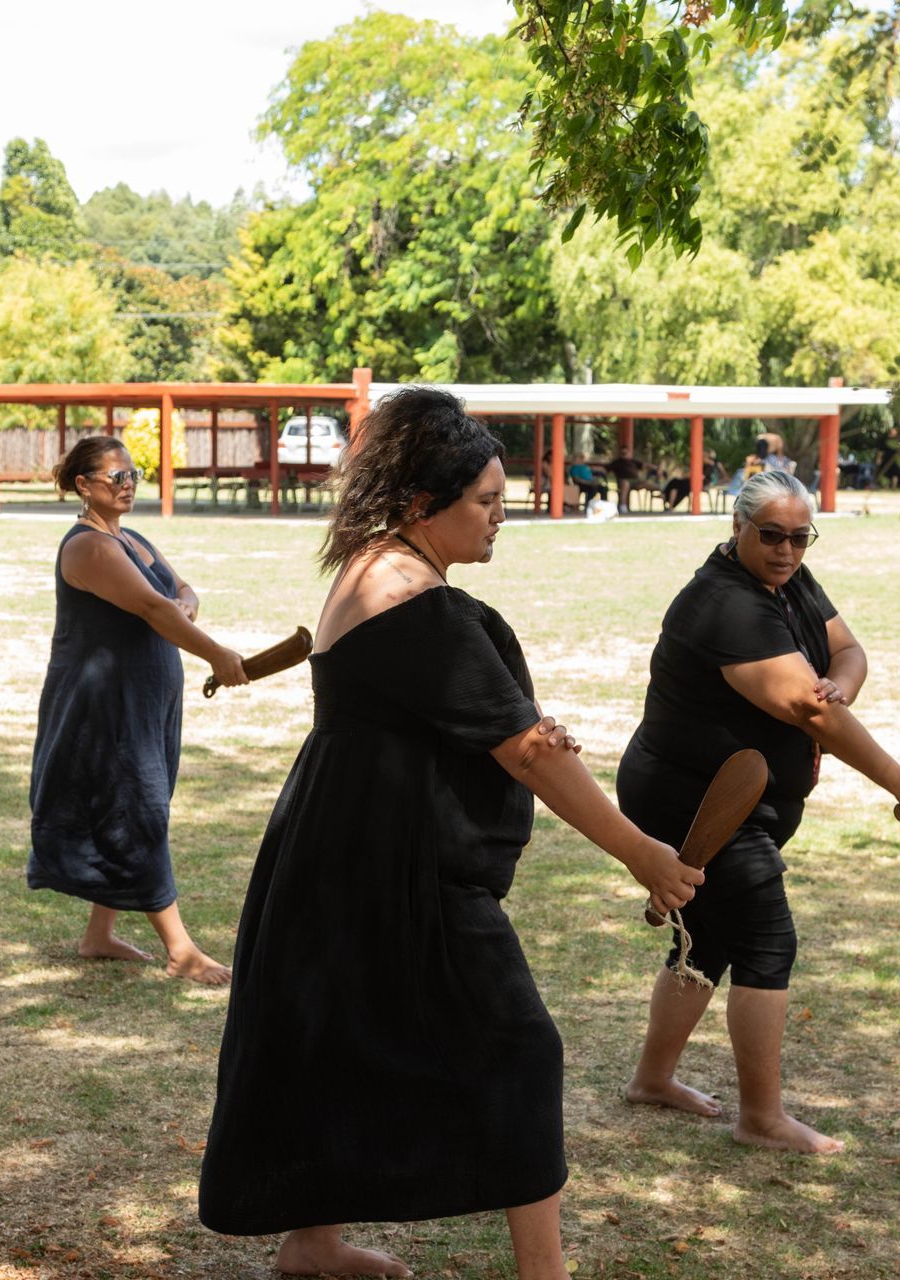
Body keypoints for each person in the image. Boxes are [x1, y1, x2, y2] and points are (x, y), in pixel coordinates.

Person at [199, 387, 703, 1279]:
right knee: (519, 1046)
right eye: (486, 502)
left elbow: (495, 729)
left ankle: (310, 1246)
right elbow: (530, 755)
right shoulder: (416, 603)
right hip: (397, 863)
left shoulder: (370, 566)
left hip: (337, 843)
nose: (500, 520)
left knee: (337, 1034)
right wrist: (643, 852)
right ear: (416, 503)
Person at [618, 470, 900, 1154]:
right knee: (767, 939)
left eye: (801, 538)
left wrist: (840, 687)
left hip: (745, 795)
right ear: (736, 527)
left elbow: (846, 656)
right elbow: (806, 710)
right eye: (771, 535)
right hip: (693, 798)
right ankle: (762, 1119)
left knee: (709, 938)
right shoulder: (725, 603)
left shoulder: (789, 581)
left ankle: (652, 1081)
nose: (786, 551)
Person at [28, 436, 248, 985]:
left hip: (146, 699)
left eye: (133, 476)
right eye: (115, 478)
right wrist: (216, 653)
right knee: (138, 806)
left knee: (135, 804)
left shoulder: (133, 540)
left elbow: (180, 591)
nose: (128, 486)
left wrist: (186, 606)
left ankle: (98, 934)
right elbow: (153, 605)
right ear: (83, 486)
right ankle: (181, 950)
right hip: (103, 704)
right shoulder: (88, 548)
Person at [605, 444, 645, 512]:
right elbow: (606, 469)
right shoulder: (617, 462)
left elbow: (645, 465)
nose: (624, 454)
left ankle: (665, 501)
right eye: (623, 453)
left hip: (636, 481)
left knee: (651, 484)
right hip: (623, 481)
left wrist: (657, 469)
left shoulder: (633, 461)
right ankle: (623, 506)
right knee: (625, 484)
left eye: (626, 452)